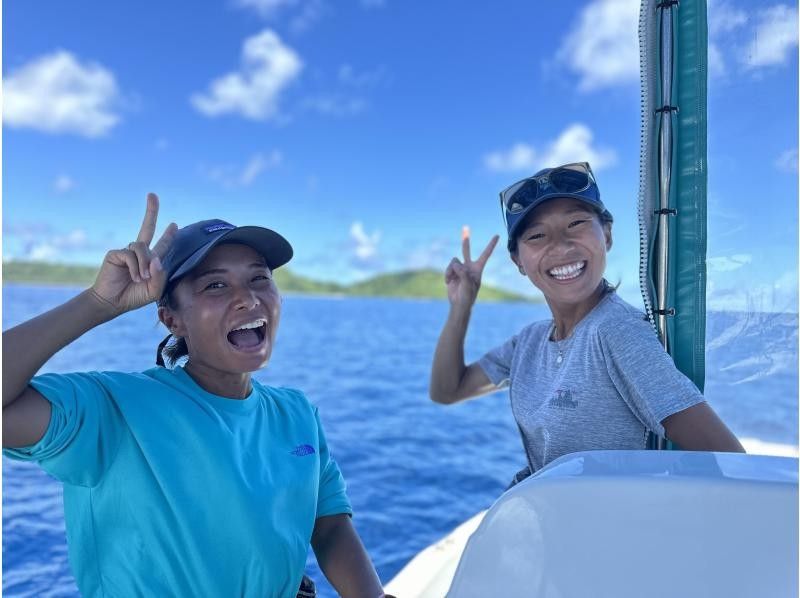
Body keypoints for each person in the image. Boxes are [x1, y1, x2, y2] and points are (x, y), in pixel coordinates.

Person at [3, 194, 388, 598]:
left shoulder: (297, 413)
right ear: (172, 318)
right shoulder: (111, 409)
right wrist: (97, 304)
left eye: (259, 278)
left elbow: (327, 525)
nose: (248, 298)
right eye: (216, 285)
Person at [430, 162, 744, 481]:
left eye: (576, 223)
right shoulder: (530, 341)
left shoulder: (615, 331)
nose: (561, 246)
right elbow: (448, 391)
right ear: (518, 262)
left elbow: (730, 462)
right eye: (537, 235)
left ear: (606, 234)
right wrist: (461, 305)